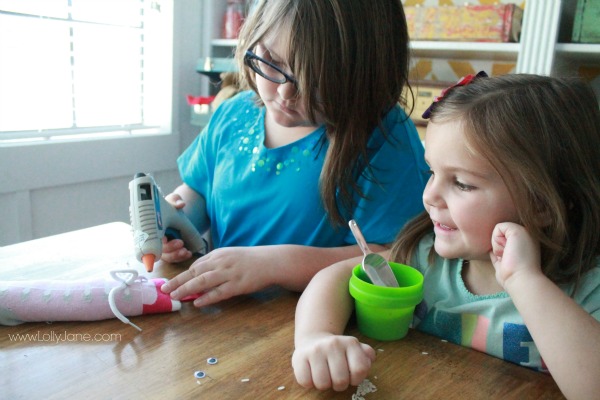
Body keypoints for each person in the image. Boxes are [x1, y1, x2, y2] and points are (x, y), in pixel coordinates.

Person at [292, 73, 600, 399]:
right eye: (432, 172)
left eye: (462, 183)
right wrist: (315, 337)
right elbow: (334, 278)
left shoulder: (584, 291)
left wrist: (525, 280)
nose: (430, 196)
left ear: (542, 205)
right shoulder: (425, 258)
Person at [159, 0, 428, 307]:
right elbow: (199, 190)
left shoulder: (383, 136)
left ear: (366, 75)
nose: (285, 94)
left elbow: (396, 255)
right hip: (224, 318)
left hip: (317, 324)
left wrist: (278, 265)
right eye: (272, 61)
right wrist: (176, 223)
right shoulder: (234, 113)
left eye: (315, 81)